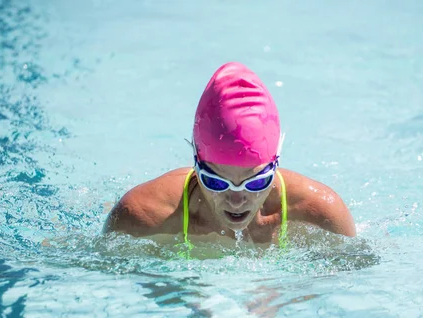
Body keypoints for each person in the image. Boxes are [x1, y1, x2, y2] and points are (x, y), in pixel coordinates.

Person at [104, 62, 356, 250]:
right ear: (196, 161)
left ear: (276, 163)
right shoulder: (144, 215)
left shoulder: (319, 214)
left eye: (256, 182)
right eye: (216, 182)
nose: (237, 201)